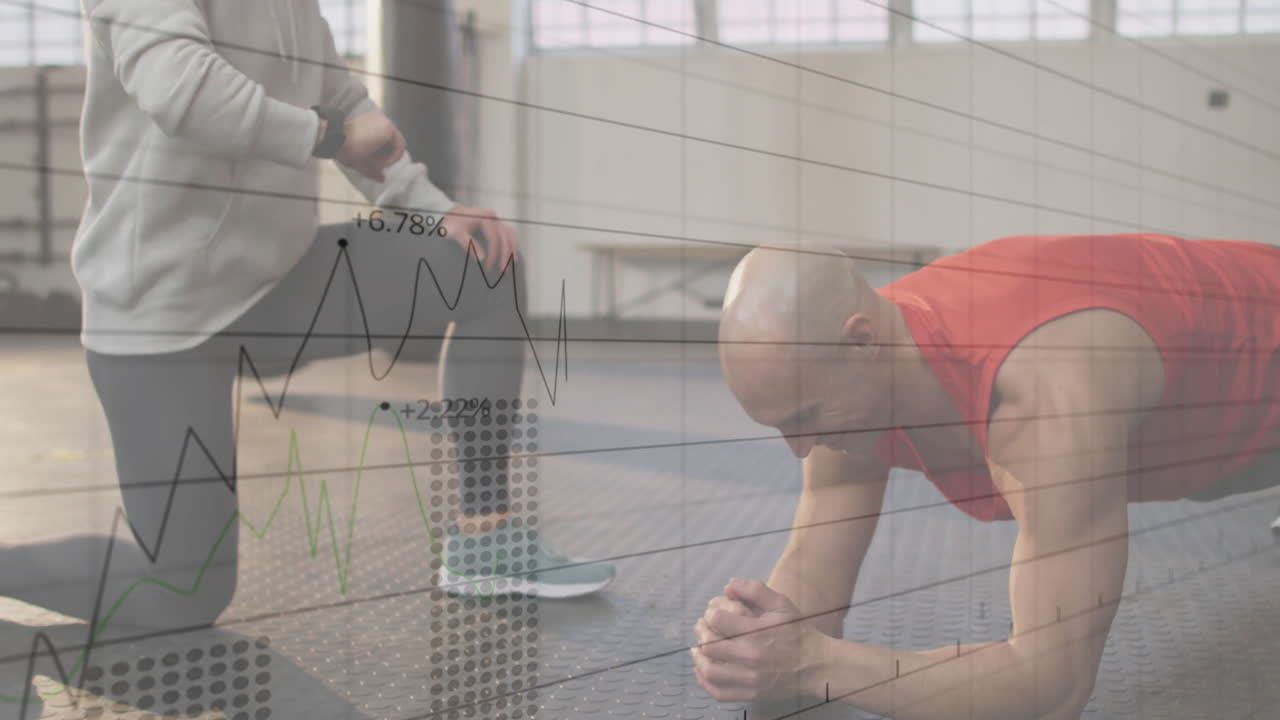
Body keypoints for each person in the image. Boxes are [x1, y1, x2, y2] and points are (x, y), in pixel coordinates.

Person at [2, 0, 615, 708]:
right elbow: (182, 88)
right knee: (185, 589)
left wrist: (431, 208)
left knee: (483, 263)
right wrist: (329, 136)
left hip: (278, 283)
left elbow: (350, 108)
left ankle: (485, 536)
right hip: (160, 314)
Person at [691, 233, 1280, 719]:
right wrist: (756, 647)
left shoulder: (1041, 398)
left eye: (803, 419)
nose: (799, 449)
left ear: (862, 343)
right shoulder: (842, 366)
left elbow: (1053, 687)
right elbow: (811, 593)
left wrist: (814, 663)